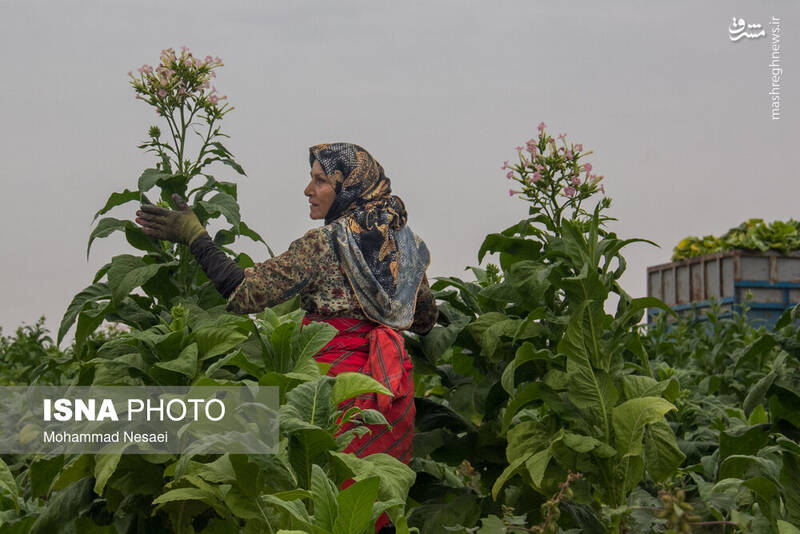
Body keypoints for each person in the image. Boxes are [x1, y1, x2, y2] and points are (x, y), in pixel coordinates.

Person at [136, 142, 437, 533]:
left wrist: (196, 237)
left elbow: (243, 293)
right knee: (372, 497)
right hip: (388, 388)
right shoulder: (402, 246)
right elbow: (426, 318)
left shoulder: (324, 244)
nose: (308, 190)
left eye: (320, 180)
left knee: (320, 496)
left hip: (329, 389)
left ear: (347, 187)